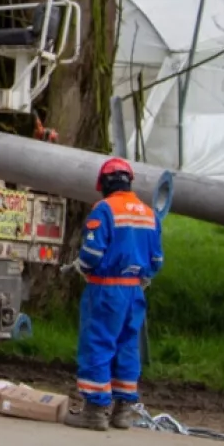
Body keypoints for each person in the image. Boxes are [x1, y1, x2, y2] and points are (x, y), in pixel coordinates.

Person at [61, 157, 164, 431]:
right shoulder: (149, 213)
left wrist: (81, 268)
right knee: (127, 346)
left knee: (98, 343)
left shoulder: (104, 210)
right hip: (134, 291)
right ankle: (122, 412)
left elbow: (92, 254)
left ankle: (94, 412)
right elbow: (156, 261)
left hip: (106, 289)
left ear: (104, 184)